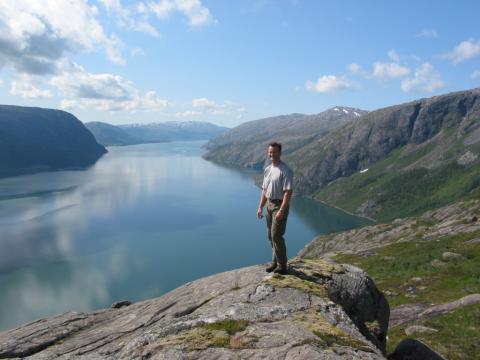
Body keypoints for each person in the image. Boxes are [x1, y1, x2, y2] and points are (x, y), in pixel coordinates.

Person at [257, 142, 293, 275]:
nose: (272, 154)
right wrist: (260, 207)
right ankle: (275, 261)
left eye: (275, 152)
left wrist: (282, 210)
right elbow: (265, 190)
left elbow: (288, 192)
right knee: (270, 236)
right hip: (269, 205)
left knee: (276, 235)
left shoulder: (285, 170)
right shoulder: (268, 169)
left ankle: (282, 265)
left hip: (279, 205)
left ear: (280, 153)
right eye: (270, 152)